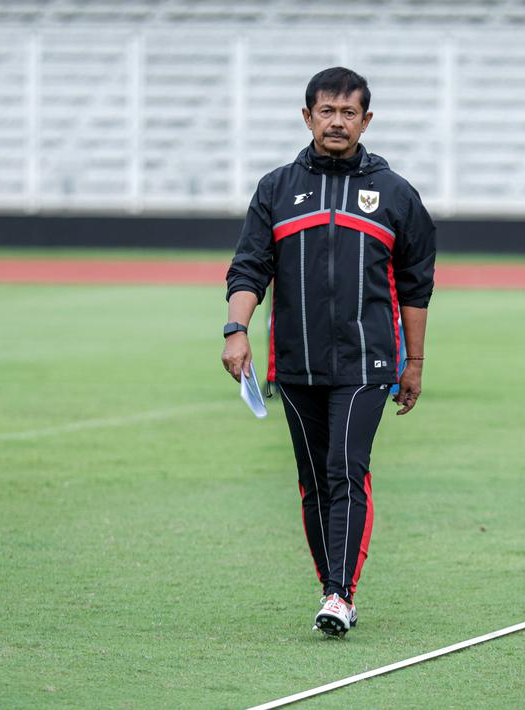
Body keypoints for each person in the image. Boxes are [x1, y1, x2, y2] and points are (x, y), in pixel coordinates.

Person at [222, 67, 436, 637]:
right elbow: (249, 267)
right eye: (326, 111)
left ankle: (340, 594)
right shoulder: (275, 189)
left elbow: (416, 285)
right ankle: (331, 586)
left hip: (368, 363)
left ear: (366, 120)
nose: (337, 122)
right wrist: (235, 329)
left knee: (345, 467)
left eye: (349, 113)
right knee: (315, 479)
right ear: (307, 116)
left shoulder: (395, 195)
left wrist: (413, 363)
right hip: (295, 363)